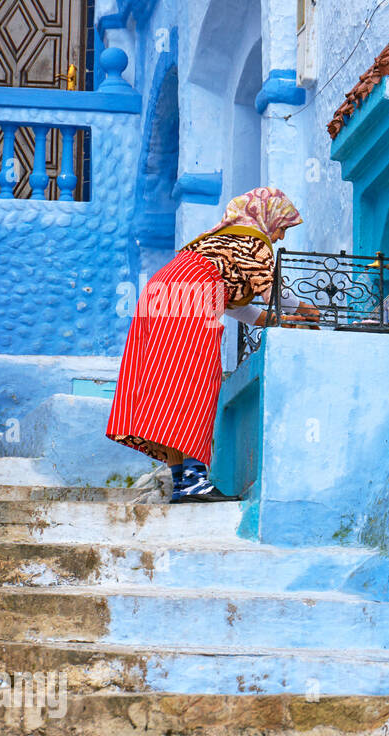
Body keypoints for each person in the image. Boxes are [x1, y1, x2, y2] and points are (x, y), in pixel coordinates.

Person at [105, 187, 316, 502]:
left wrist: (273, 321)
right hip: (190, 298)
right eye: (283, 227)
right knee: (196, 382)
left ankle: (184, 484)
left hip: (162, 294)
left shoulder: (221, 240)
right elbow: (272, 290)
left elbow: (234, 304)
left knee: (172, 389)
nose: (282, 236)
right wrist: (307, 310)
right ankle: (192, 483)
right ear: (268, 216)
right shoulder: (251, 239)